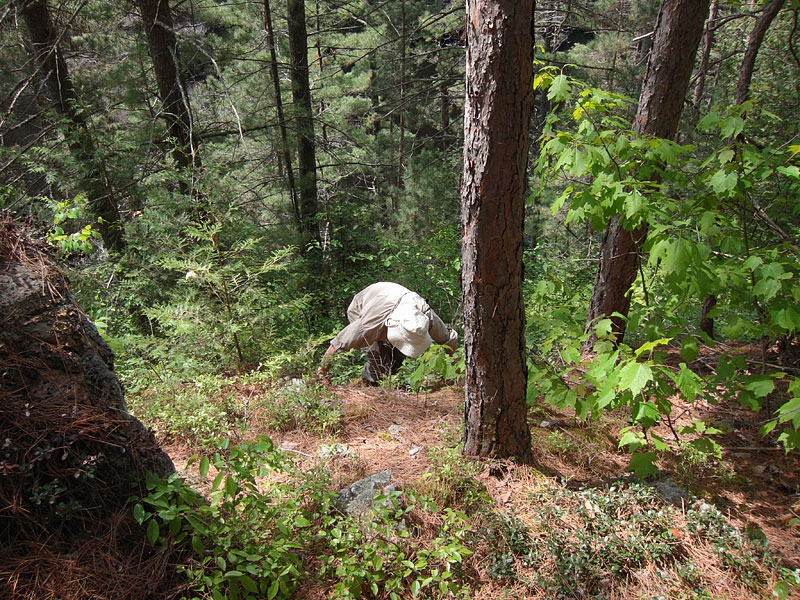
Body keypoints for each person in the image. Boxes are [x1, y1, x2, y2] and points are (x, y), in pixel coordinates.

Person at [318, 282, 458, 384]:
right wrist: (322, 375)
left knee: (395, 360)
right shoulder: (369, 325)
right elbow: (338, 344)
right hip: (362, 305)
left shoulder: (424, 316)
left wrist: (458, 375)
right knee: (380, 361)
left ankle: (380, 381)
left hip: (392, 298)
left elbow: (448, 341)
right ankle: (369, 385)